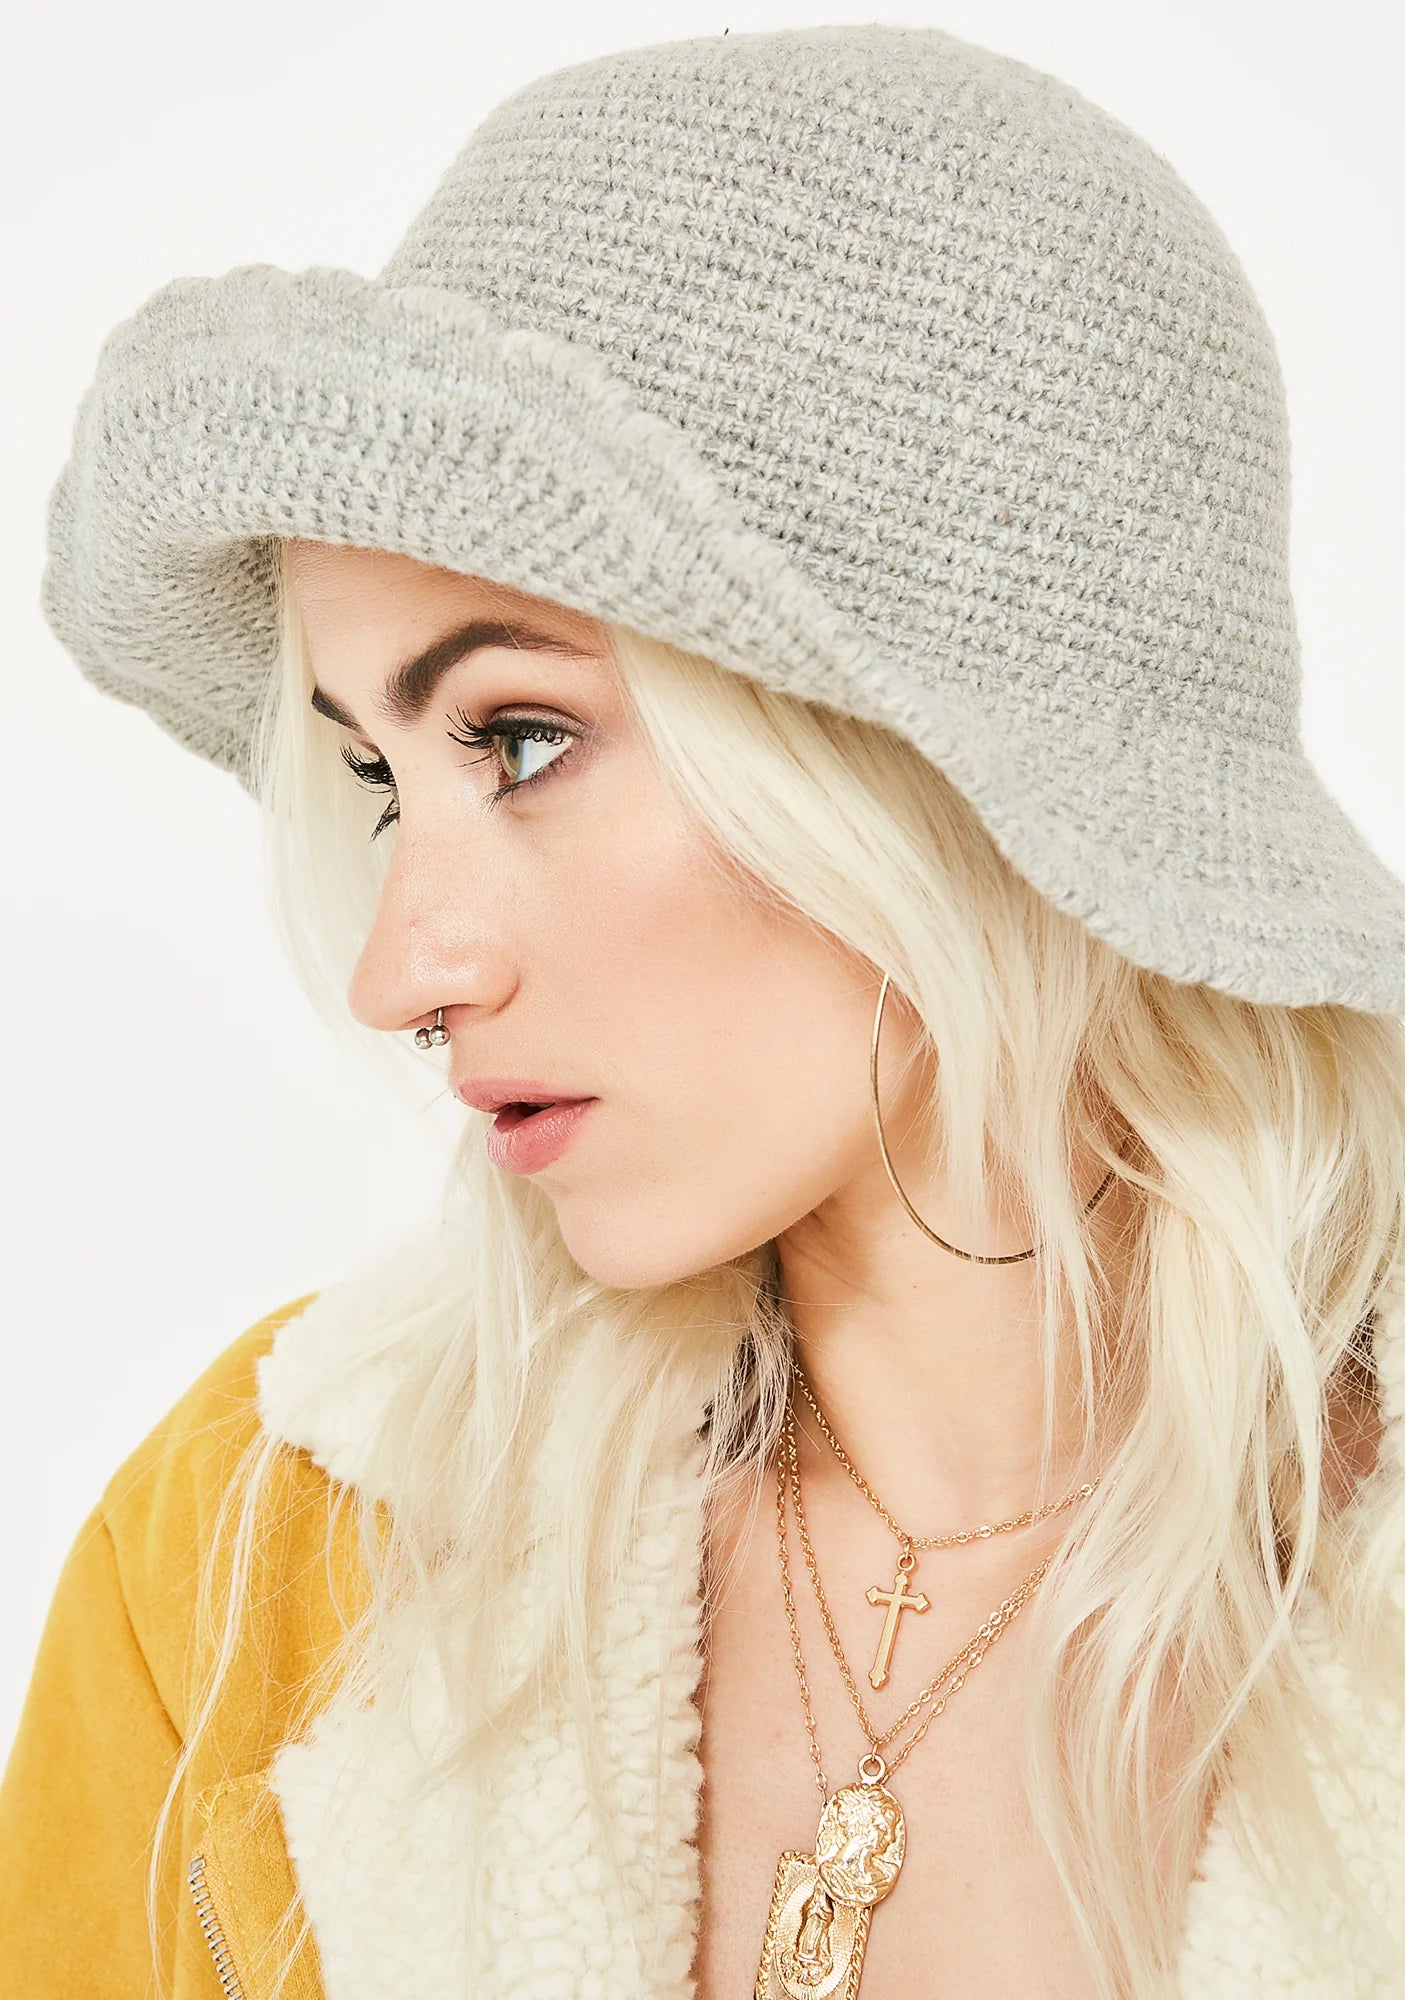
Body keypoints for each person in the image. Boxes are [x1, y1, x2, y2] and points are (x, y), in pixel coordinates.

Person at [5, 21, 1405, 2000]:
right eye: (382, 779)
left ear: (929, 761)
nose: (400, 970)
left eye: (521, 736)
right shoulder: (263, 1561)